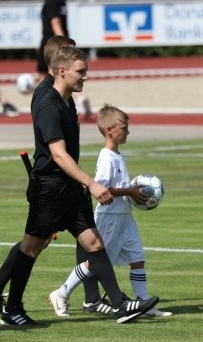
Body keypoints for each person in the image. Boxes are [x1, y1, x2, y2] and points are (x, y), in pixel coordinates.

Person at [0, 45, 159, 326]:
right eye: (81, 71)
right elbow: (58, 154)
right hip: (50, 189)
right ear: (62, 71)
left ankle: (120, 306)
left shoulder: (67, 101)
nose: (85, 76)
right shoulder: (48, 104)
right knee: (30, 249)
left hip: (69, 189)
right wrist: (90, 183)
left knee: (94, 243)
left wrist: (80, 185)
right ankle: (11, 309)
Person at [0, 34, 78, 314]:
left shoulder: (62, 92)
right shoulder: (47, 94)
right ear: (59, 61)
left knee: (40, 241)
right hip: (50, 180)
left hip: (61, 180)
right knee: (34, 242)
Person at [48, 104, 172, 318]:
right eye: (124, 128)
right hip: (109, 217)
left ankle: (144, 304)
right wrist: (130, 191)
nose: (128, 132)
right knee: (95, 263)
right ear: (109, 130)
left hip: (125, 216)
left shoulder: (118, 155)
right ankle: (61, 293)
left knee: (138, 257)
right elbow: (102, 190)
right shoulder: (106, 156)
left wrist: (130, 193)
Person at [34, 0, 92, 121]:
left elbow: (55, 21)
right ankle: (80, 98)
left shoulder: (52, 0)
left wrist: (61, 43)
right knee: (62, 74)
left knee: (45, 75)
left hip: (51, 42)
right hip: (54, 40)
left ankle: (43, 103)